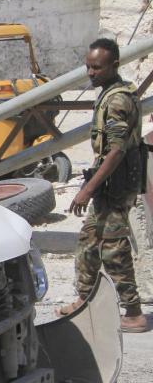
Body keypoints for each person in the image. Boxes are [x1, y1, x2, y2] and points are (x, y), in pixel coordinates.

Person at [59, 38, 148, 332]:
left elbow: (117, 150)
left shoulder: (118, 100)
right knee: (88, 243)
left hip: (117, 186)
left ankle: (133, 312)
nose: (91, 72)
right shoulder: (110, 93)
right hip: (108, 185)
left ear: (114, 66)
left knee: (113, 249)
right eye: (88, 67)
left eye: (97, 67)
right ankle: (84, 299)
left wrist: (87, 189)